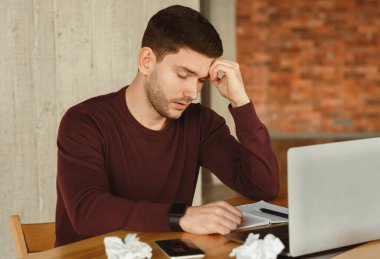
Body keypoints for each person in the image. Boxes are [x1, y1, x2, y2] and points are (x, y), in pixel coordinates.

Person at [55, 5, 279, 246]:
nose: (192, 92)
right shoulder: (85, 122)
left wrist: (240, 101)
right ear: (146, 61)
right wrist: (180, 216)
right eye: (183, 75)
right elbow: (87, 211)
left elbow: (262, 186)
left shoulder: (201, 123)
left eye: (201, 80)